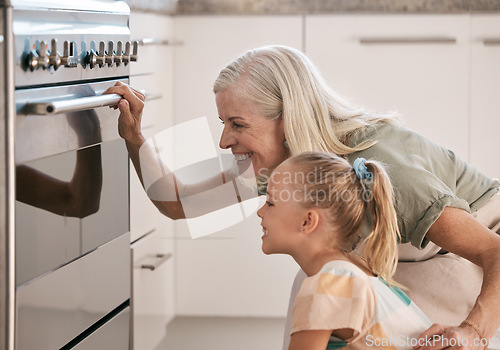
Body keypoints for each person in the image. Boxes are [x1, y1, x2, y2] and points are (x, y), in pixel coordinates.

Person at [104, 45, 500, 349]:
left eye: (237, 124)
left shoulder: (387, 169)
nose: (224, 140)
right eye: (223, 122)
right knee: (323, 281)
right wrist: (134, 138)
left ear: (288, 120)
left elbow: (492, 251)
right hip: (412, 251)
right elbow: (179, 204)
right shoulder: (288, 163)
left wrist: (474, 332)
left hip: (473, 253)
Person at [257, 152, 433, 349]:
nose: (260, 211)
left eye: (270, 203)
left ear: (307, 221)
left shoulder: (329, 284)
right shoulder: (359, 272)